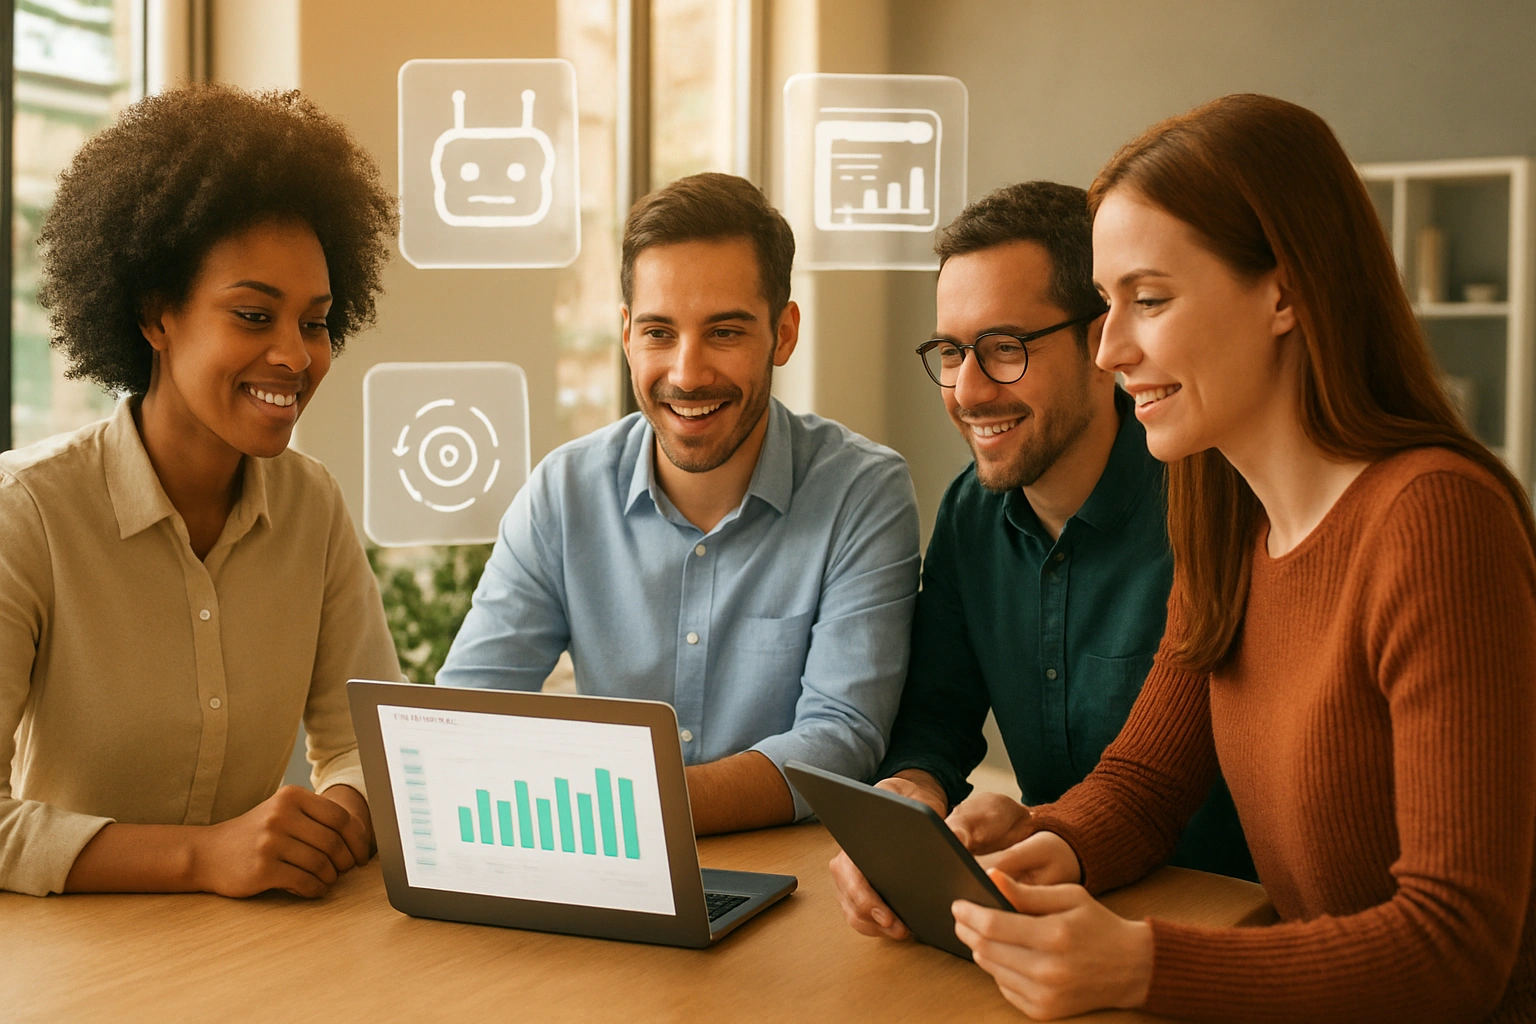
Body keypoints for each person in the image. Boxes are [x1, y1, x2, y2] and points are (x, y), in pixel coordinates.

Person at [947, 94, 1536, 1022]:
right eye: (1107, 305)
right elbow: (1145, 788)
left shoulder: (1434, 520)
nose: (1110, 349)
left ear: (1287, 291)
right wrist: (1031, 849)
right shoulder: (1228, 514)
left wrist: (1142, 966)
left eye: (1150, 299)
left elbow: (1455, 949)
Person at [0, 86, 401, 899]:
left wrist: (339, 822)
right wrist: (202, 856)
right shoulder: (29, 514)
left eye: (316, 322)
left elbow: (370, 748)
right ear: (157, 315)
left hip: (251, 959)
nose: (296, 356)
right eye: (254, 316)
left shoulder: (311, 507)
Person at [829, 182, 1255, 942]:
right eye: (952, 352)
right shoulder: (972, 510)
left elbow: (1153, 788)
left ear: (1103, 343)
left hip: (1231, 924)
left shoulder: (1213, 500)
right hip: (1059, 907)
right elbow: (938, 714)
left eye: (1004, 350)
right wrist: (909, 797)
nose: (967, 390)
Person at [438, 172, 921, 835]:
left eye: (724, 333)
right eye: (660, 333)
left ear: (783, 333)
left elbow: (840, 737)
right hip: (612, 865)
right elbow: (466, 714)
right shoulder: (563, 493)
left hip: (794, 884)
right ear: (627, 334)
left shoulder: (861, 492)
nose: (688, 374)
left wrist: (631, 808)